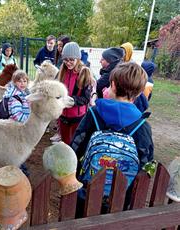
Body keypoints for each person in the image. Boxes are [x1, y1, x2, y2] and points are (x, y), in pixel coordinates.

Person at [71, 62, 154, 216]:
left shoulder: (94, 114)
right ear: (138, 93)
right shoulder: (142, 126)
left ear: (113, 86)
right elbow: (147, 163)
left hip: (87, 193)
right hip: (121, 198)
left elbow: (75, 148)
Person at [57, 42, 95, 145]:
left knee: (75, 145)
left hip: (77, 118)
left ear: (78, 58)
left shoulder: (84, 73)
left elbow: (86, 99)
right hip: (63, 116)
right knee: (65, 143)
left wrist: (71, 100)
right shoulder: (62, 72)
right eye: (65, 60)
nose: (68, 63)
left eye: (71, 60)